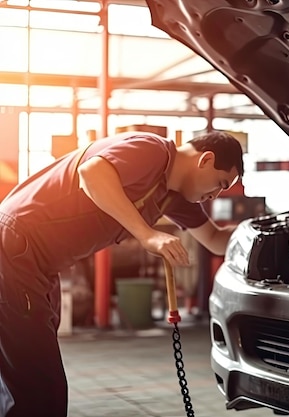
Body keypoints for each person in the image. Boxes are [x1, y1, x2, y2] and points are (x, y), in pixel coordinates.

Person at [0, 129, 244, 417]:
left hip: (39, 264)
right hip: (15, 246)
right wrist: (147, 234)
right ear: (206, 159)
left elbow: (214, 239)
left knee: (22, 378)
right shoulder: (151, 150)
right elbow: (92, 173)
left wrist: (265, 230)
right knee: (39, 387)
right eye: (220, 183)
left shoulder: (173, 198)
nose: (216, 194)